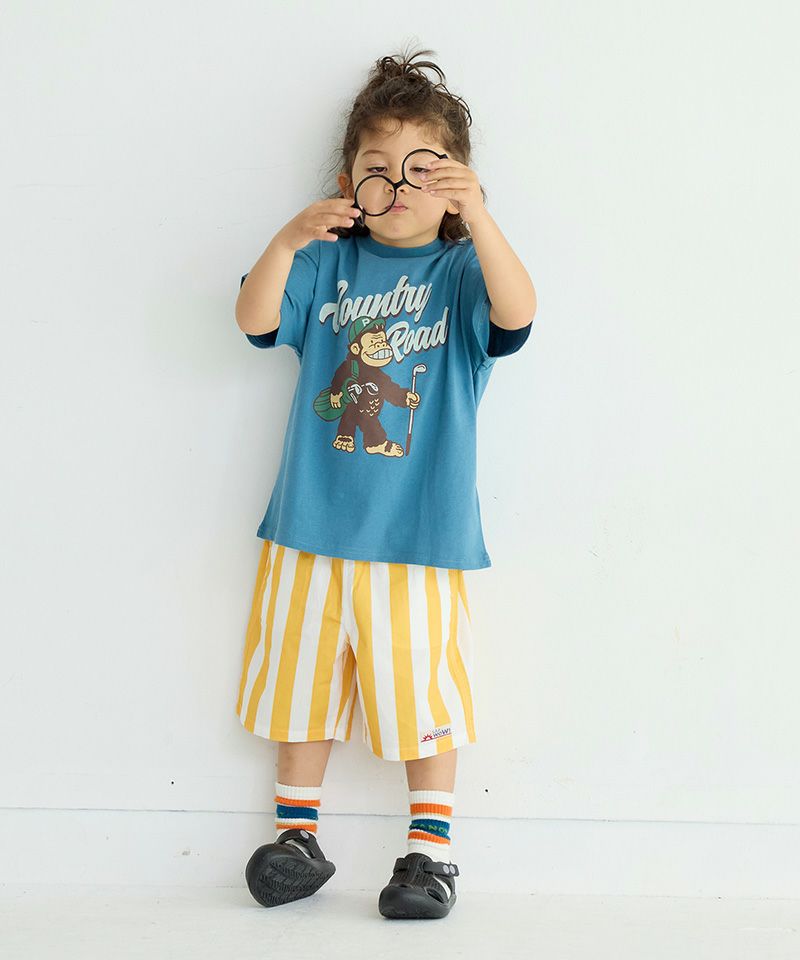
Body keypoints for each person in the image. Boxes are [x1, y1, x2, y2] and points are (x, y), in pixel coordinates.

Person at [234, 46, 536, 920]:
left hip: (420, 533)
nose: (399, 187)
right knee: (301, 687)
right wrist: (289, 237)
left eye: (425, 170)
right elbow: (253, 319)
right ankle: (297, 837)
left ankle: (430, 855)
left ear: (456, 186)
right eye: (378, 169)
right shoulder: (325, 265)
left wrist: (480, 220)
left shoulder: (462, 273)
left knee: (422, 694)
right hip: (310, 526)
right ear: (348, 185)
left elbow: (519, 314)